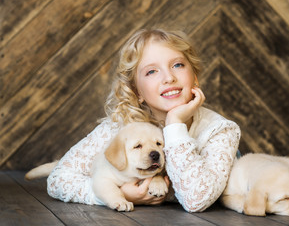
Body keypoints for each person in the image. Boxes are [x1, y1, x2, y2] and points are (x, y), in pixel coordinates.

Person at [47, 28, 241, 212]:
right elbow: (58, 180)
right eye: (151, 71)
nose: (169, 78)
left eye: (178, 65)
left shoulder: (219, 130)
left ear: (195, 77)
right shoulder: (121, 127)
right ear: (137, 91)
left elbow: (196, 200)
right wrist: (119, 194)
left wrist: (175, 125)